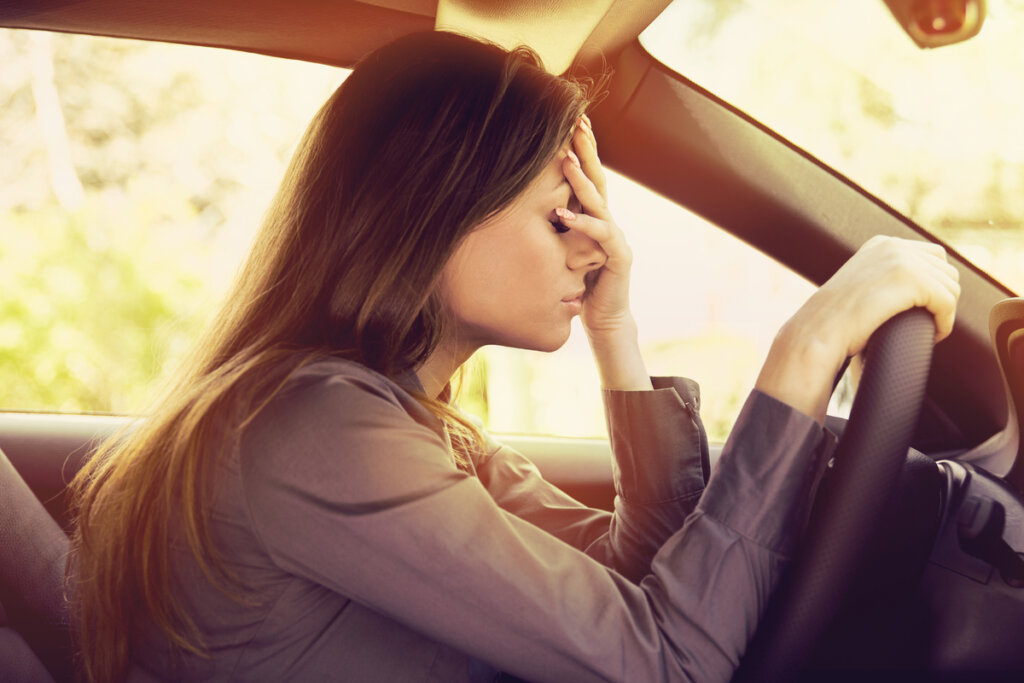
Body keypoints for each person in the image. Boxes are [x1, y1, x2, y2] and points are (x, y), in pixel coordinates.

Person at [67, 30, 960, 683]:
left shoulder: (407, 422)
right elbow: (670, 660)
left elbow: (643, 578)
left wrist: (615, 331)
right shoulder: (312, 431)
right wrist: (805, 354)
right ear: (435, 212)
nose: (595, 247)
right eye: (558, 213)